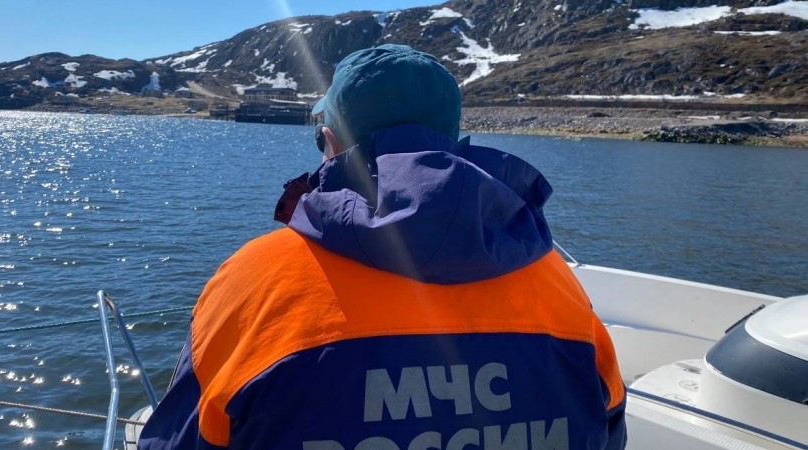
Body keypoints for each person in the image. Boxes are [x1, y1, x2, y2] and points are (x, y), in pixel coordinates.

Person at [138, 44, 626, 450]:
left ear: (330, 142)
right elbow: (608, 427)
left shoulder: (254, 279)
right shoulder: (554, 279)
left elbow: (180, 439)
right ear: (453, 140)